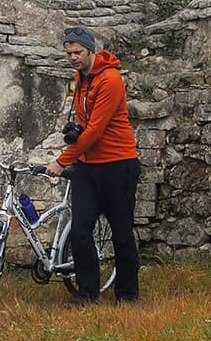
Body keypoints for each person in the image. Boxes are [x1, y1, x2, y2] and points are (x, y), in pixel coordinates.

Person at [44, 25, 140, 303]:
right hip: (88, 166)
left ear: (90, 50)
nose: (73, 57)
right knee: (80, 231)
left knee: (121, 232)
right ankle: (87, 294)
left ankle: (127, 294)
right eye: (69, 53)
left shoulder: (110, 79)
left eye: (78, 52)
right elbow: (85, 124)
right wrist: (74, 133)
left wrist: (62, 161)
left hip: (117, 164)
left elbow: (96, 129)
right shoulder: (80, 78)